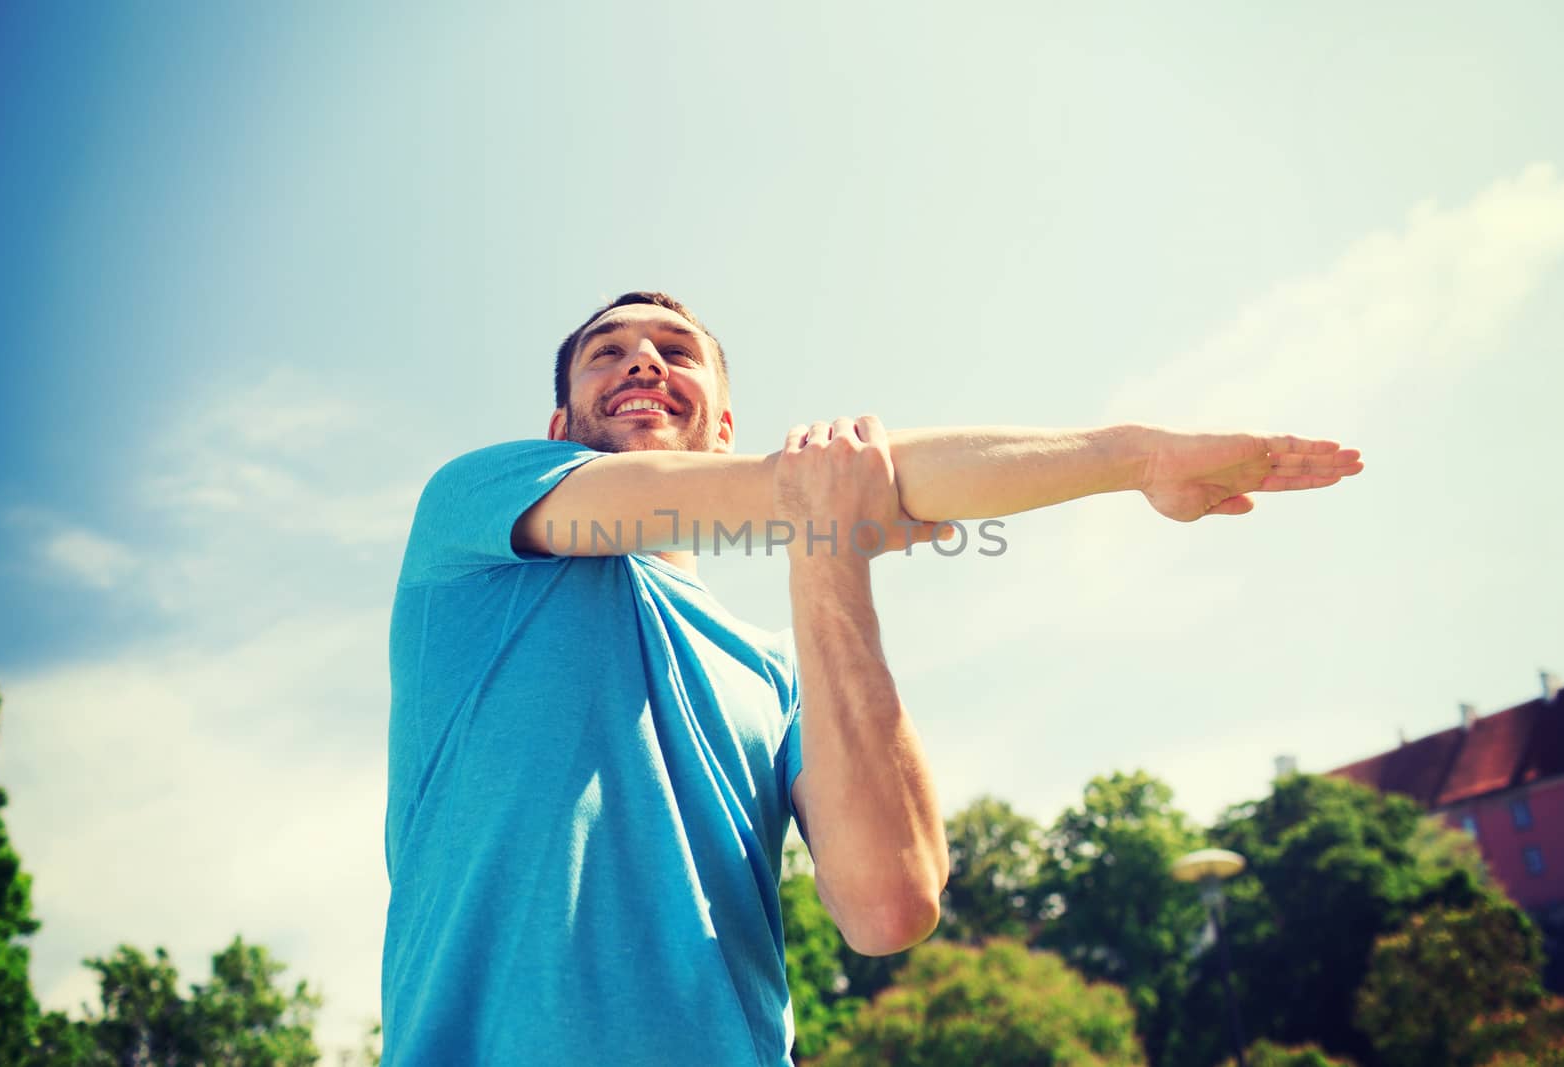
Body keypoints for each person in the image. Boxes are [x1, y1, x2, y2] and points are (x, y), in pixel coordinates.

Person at [380, 291, 1363, 1065]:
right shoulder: (475, 512)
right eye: (610, 349)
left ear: (725, 422)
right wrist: (1131, 455)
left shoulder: (777, 670)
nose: (643, 358)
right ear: (557, 421)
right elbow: (793, 489)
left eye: (677, 350)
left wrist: (830, 554)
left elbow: (890, 903)